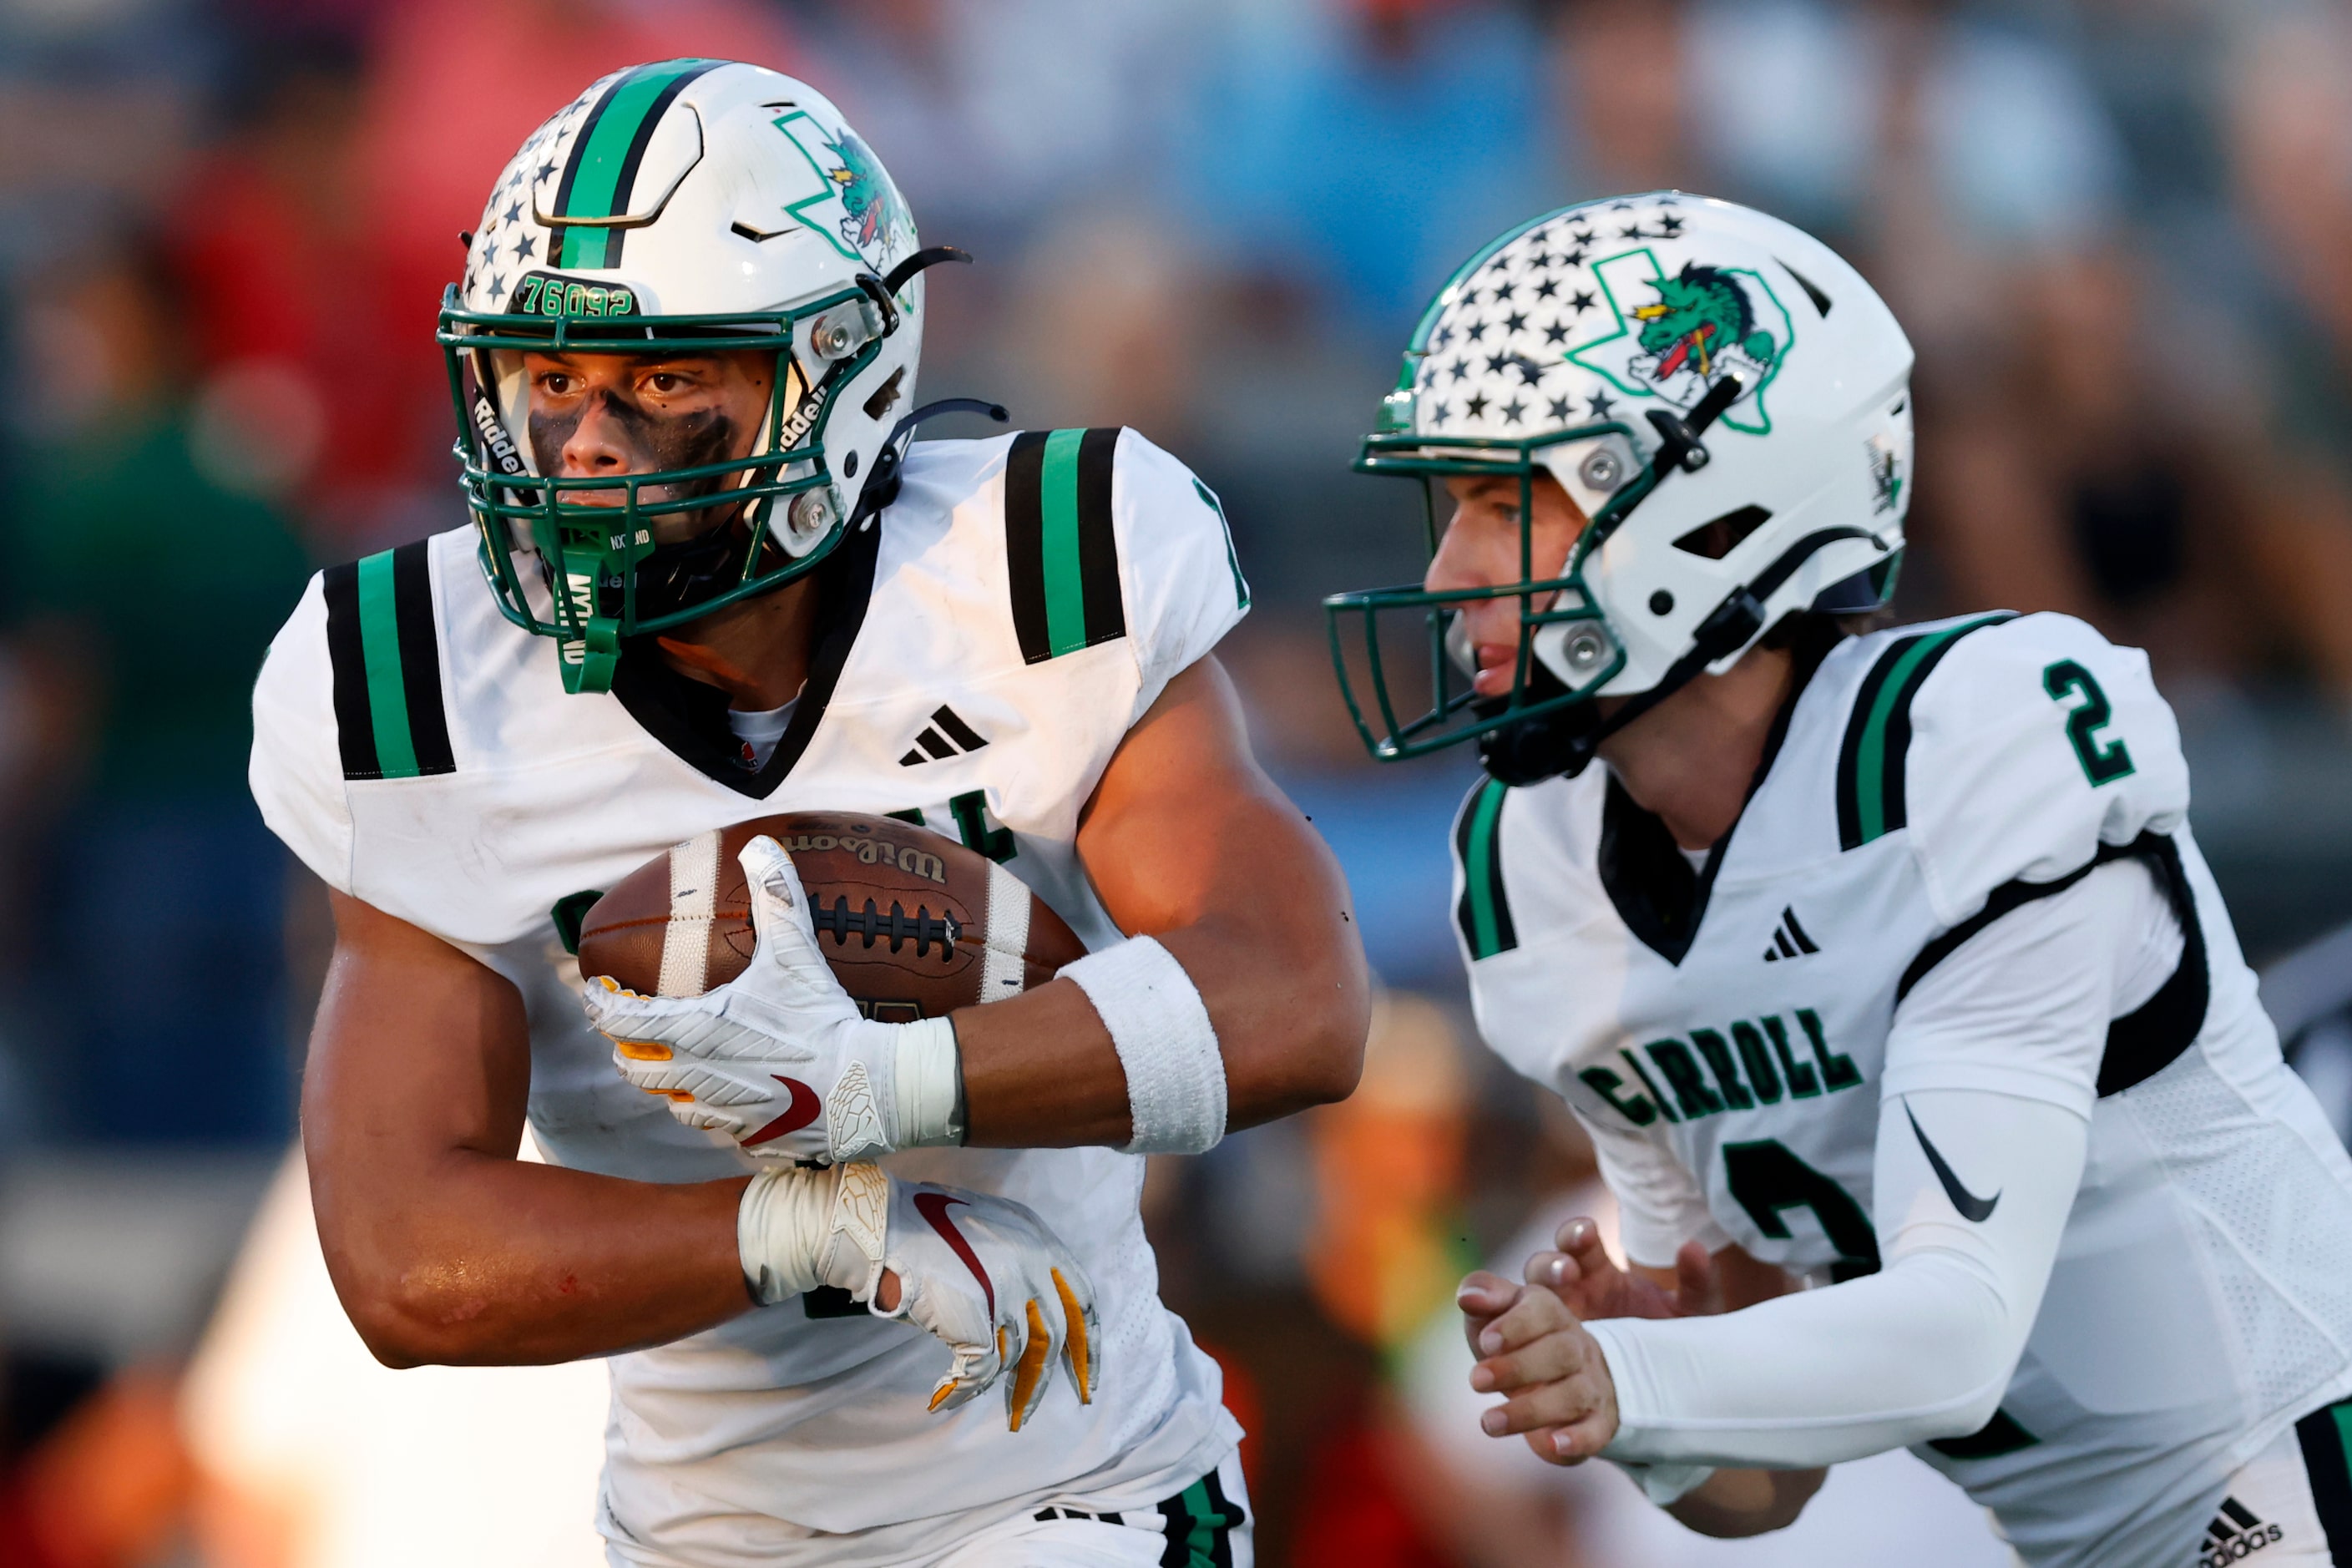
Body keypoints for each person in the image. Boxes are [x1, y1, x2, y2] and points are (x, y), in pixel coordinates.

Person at [248, 60, 1368, 1566]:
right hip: (697, 1532)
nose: (582, 444)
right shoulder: (418, 676)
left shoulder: (1035, 564)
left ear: (836, 372)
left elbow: (1297, 1000)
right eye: (548, 378)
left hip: (1074, 1488)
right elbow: (401, 1260)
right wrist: (820, 1225)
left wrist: (876, 1082)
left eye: (661, 380)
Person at [1321, 192, 2352, 1565]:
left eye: (1507, 502)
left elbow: (1952, 1334)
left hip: (2291, 1464)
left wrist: (1644, 1380)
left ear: (1708, 498)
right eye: (1446, 508)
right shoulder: (1533, 870)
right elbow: (1763, 1489)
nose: (1449, 573)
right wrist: (1643, 1408)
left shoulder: (1968, 748)